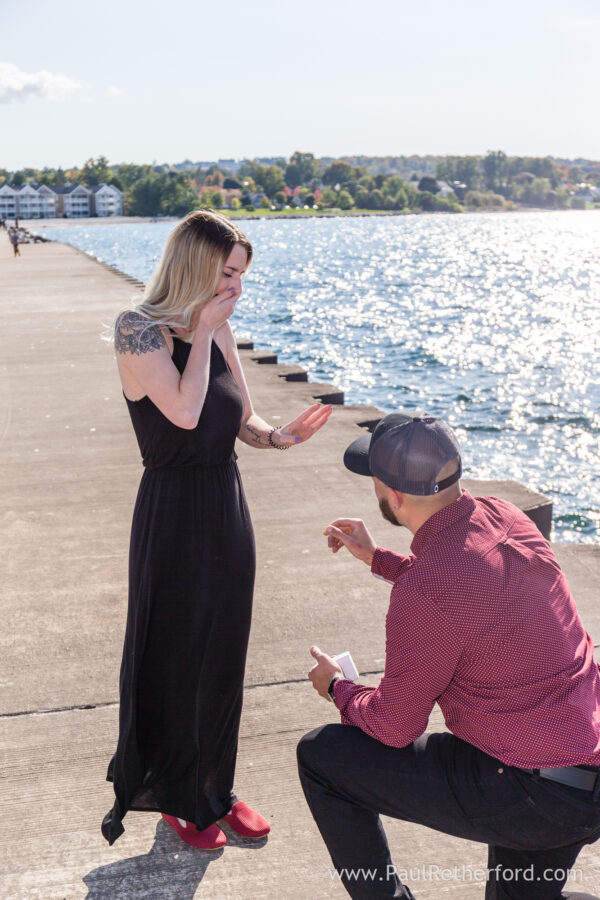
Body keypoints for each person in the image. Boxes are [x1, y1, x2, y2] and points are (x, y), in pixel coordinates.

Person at [102, 209, 331, 849]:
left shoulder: (219, 327)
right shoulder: (137, 330)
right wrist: (202, 332)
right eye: (227, 273)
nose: (235, 286)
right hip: (172, 512)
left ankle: (213, 789)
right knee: (178, 657)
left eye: (240, 276)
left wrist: (278, 437)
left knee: (223, 656)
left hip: (225, 504)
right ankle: (179, 798)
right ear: (196, 265)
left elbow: (239, 419)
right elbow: (183, 410)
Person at [298, 413, 600, 900]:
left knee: (321, 756)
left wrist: (338, 687)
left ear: (392, 495)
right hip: (584, 775)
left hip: (529, 791)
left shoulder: (427, 590)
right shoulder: (504, 515)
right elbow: (475, 590)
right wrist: (380, 559)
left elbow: (395, 726)